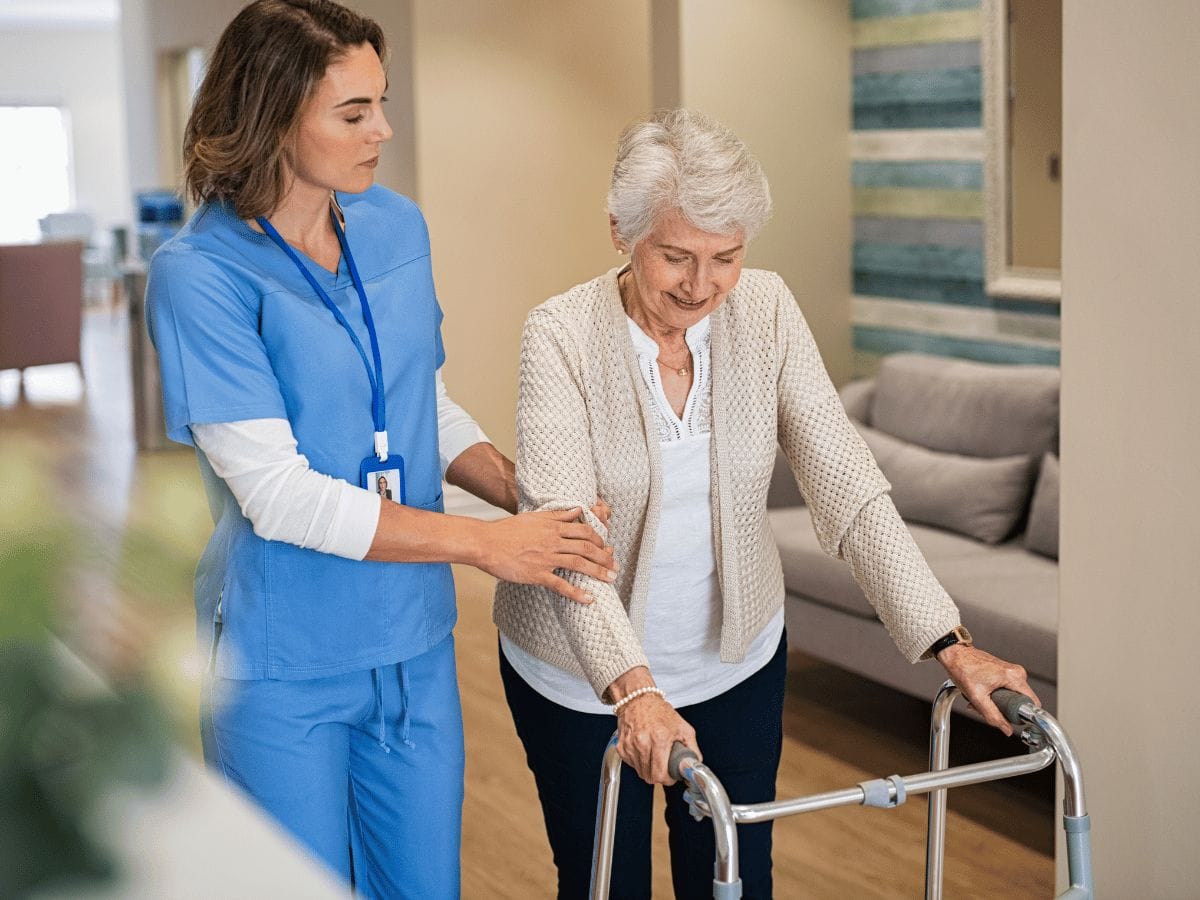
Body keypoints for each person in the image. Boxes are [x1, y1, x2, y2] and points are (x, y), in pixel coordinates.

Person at [493, 109, 1040, 899]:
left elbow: (847, 483)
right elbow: (571, 540)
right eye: (676, 256)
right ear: (620, 231)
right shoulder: (560, 335)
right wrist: (636, 690)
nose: (701, 285)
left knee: (737, 879)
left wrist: (950, 643)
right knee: (606, 883)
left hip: (734, 659)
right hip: (581, 675)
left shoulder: (769, 311)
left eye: (727, 257)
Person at [145, 1, 615, 895]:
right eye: (354, 113)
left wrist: (520, 494)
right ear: (273, 114)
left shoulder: (396, 226)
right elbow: (277, 494)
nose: (384, 132)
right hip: (283, 660)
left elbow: (417, 401)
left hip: (411, 644)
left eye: (381, 103)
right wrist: (488, 544)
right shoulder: (198, 276)